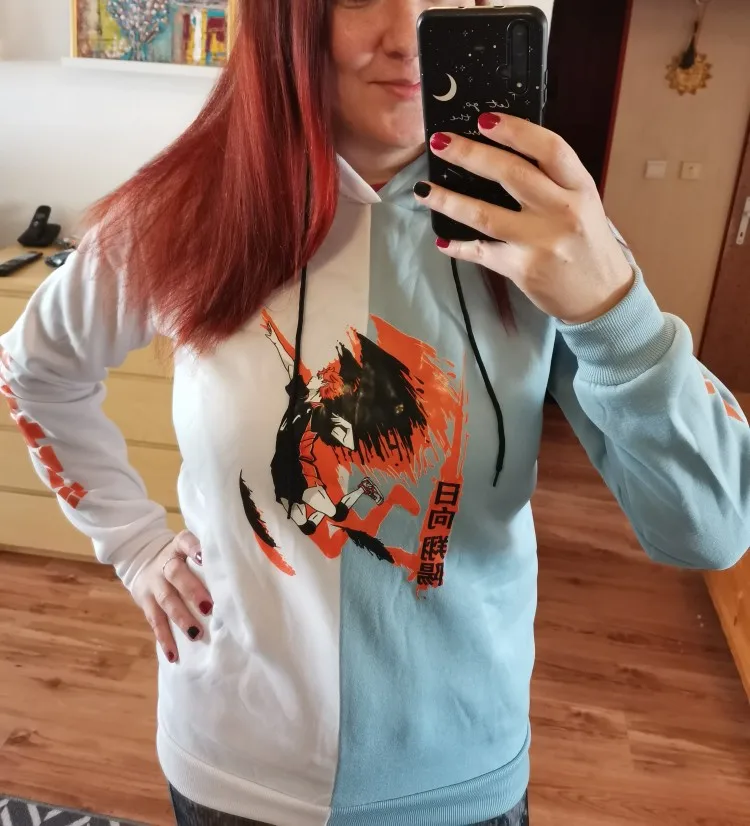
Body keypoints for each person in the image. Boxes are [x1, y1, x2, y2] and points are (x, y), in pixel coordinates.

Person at [1, 1, 748, 825]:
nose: (408, 37)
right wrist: (134, 544)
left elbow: (711, 530)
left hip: (461, 777)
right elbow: (34, 372)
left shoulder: (551, 232)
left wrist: (613, 313)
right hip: (234, 764)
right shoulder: (179, 211)